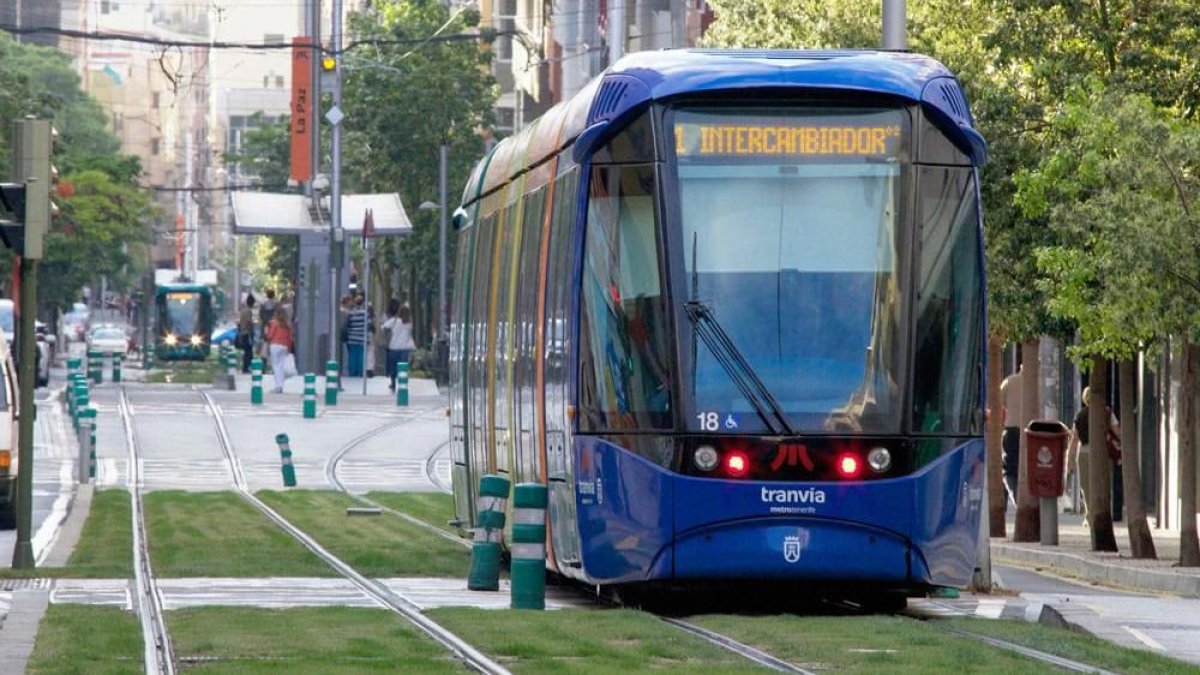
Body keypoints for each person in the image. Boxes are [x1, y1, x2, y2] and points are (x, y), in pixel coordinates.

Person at [1066, 386, 1120, 520]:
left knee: (1086, 487)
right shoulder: (1107, 413)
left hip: (1084, 453)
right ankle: (1102, 514)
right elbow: (1118, 432)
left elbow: (1074, 439)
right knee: (1103, 485)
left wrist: (1069, 461)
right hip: (1103, 453)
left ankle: (1090, 516)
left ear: (1085, 399)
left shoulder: (1080, 415)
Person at [999, 365, 1023, 508]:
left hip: (1011, 430)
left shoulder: (1009, 381)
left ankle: (1012, 496)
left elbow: (998, 404)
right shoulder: (1040, 384)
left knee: (1009, 467)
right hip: (1030, 432)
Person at [382, 301, 417, 392]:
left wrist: (388, 335)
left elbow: (384, 327)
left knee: (393, 367)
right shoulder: (409, 323)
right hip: (405, 349)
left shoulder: (394, 321)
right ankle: (403, 383)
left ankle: (393, 383)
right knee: (403, 367)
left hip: (393, 347)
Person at [264, 306, 294, 393]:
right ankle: (281, 385)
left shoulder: (274, 324)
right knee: (281, 366)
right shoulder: (287, 325)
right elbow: (290, 338)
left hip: (275, 346)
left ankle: (278, 386)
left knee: (276, 366)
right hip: (284, 346)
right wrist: (288, 348)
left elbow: (270, 336)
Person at [344, 294, 369, 377]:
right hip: (362, 338)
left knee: (352, 356)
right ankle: (360, 372)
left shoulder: (351, 313)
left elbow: (348, 324)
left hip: (352, 338)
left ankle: (352, 372)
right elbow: (368, 325)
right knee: (361, 356)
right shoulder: (365, 314)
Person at [238, 294, 256, 374]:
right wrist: (251, 330)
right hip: (247, 333)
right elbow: (249, 322)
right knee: (248, 351)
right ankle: (246, 367)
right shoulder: (249, 311)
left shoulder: (243, 310)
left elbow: (240, 322)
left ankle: (248, 366)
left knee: (248, 351)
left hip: (242, 332)